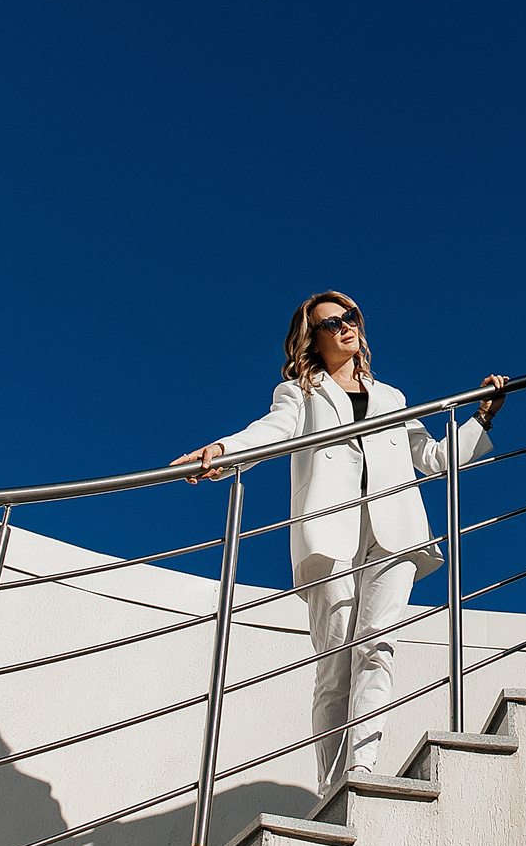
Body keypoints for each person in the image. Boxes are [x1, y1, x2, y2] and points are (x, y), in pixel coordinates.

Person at [170, 291, 507, 787]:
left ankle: (361, 769)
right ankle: (330, 788)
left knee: (378, 646)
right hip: (330, 534)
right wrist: (223, 451)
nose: (346, 326)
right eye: (332, 323)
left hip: (394, 533)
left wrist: (483, 416)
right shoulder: (300, 393)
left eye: (350, 317)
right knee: (334, 668)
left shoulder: (392, 398)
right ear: (313, 340)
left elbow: (435, 458)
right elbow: (271, 433)